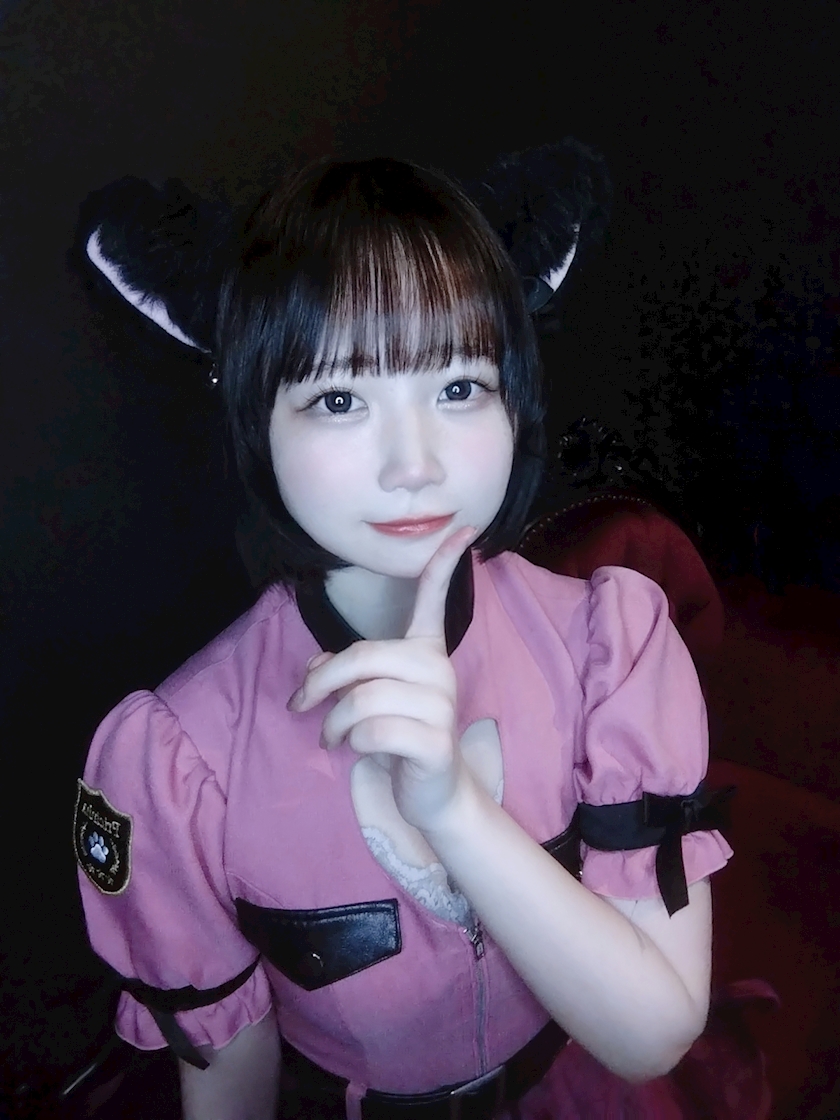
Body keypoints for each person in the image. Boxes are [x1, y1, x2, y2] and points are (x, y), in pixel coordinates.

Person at [75, 155, 752, 1120]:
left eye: (460, 387)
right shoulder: (180, 761)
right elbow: (228, 1085)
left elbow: (652, 1034)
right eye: (338, 399)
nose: (415, 465)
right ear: (254, 418)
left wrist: (453, 810)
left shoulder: (611, 647)